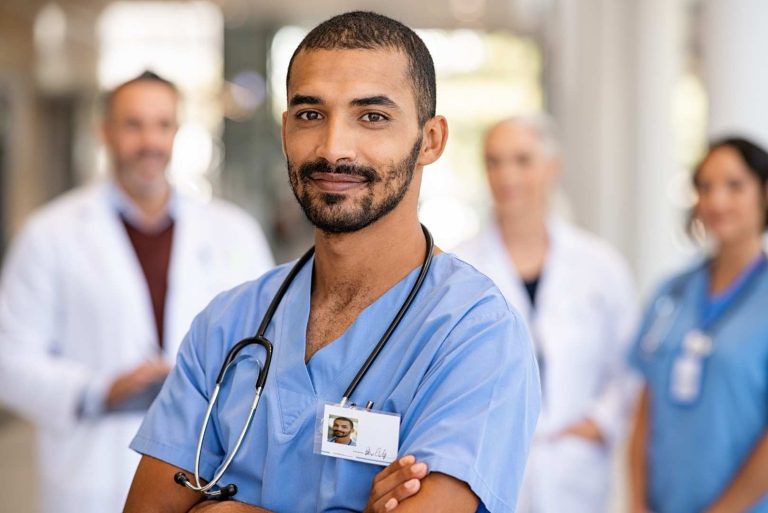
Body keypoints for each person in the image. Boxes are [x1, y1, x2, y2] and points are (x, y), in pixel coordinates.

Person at [123, 11, 540, 513]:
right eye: (310, 114)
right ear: (284, 131)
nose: (333, 148)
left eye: (373, 116)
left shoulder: (476, 333)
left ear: (430, 140)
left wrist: (222, 509)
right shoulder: (228, 323)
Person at [0, 71, 274, 513]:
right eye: (133, 124)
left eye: (162, 125)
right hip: (91, 472)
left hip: (208, 475)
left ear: (177, 132)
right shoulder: (48, 235)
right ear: (104, 131)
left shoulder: (233, 232)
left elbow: (270, 349)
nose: (150, 141)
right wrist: (98, 390)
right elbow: (7, 360)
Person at [453, 115, 638, 513]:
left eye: (522, 160)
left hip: (575, 472)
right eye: (494, 161)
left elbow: (626, 363)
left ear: (553, 168)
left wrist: (598, 424)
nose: (507, 175)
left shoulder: (599, 265)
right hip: (489, 469)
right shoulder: (458, 269)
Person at [628, 137, 768, 513]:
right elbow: (645, 407)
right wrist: (637, 502)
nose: (716, 201)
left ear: (764, 194)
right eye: (705, 187)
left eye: (734, 186)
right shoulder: (671, 292)